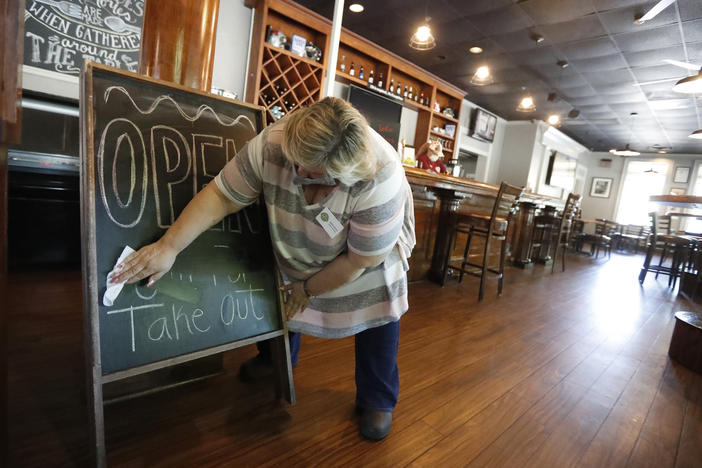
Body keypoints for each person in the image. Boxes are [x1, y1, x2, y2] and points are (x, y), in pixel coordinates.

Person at [109, 97, 416, 441]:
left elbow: (360, 260)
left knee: (376, 307)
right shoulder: (275, 141)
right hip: (299, 232)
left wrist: (307, 289)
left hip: (365, 259)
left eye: (310, 172)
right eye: (295, 163)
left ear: (342, 174)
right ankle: (276, 359)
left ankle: (378, 398)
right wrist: (169, 247)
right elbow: (223, 195)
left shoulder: (380, 180)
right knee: (285, 275)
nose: (297, 174)